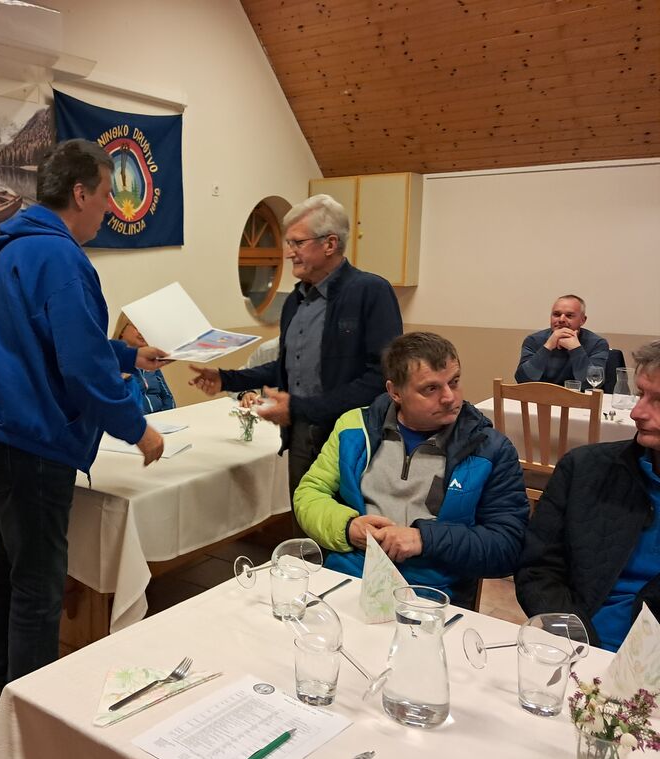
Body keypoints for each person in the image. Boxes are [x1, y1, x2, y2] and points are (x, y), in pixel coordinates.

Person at [0, 139, 167, 708]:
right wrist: (138, 429)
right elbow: (81, 370)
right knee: (40, 581)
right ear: (80, 193)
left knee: (9, 559)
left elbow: (53, 341)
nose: (110, 209)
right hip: (27, 439)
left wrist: (129, 356)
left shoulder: (19, 246)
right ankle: (31, 714)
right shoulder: (63, 260)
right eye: (106, 195)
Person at [188, 193, 402, 503]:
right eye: (288, 243)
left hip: (353, 441)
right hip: (301, 438)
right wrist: (226, 379)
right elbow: (286, 368)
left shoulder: (371, 292)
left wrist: (299, 408)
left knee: (349, 526)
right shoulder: (294, 301)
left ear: (330, 244)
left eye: (297, 243)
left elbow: (381, 379)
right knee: (303, 523)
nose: (289, 253)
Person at [294, 332, 529, 606]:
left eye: (454, 382)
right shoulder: (354, 427)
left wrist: (424, 539)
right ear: (395, 392)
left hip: (433, 593)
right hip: (350, 578)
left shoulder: (490, 449)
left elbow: (508, 545)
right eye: (430, 389)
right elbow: (309, 493)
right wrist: (347, 527)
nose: (449, 397)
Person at [515, 341, 660, 651]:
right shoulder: (583, 468)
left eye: (658, 401)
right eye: (640, 394)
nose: (637, 412)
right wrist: (577, 639)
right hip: (580, 647)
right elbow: (538, 569)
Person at [515, 294, 609, 388]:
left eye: (569, 315)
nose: (561, 319)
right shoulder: (533, 340)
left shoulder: (597, 344)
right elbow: (522, 380)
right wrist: (547, 347)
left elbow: (592, 385)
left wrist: (576, 349)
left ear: (582, 320)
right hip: (541, 396)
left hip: (578, 397)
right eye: (556, 314)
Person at [113, 315, 176, 413]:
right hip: (138, 419)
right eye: (137, 327)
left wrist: (171, 414)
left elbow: (167, 396)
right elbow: (125, 405)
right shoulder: (112, 361)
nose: (142, 332)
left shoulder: (150, 360)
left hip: (162, 417)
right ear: (122, 329)